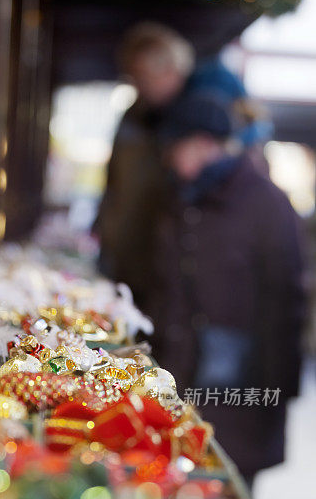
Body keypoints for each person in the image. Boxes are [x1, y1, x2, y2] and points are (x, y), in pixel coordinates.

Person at [146, 91, 306, 483]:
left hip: (243, 391)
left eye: (175, 148)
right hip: (181, 374)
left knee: (232, 493)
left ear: (204, 144)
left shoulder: (267, 203)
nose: (168, 159)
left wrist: (277, 397)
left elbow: (288, 303)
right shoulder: (182, 198)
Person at [96, 22, 271, 300]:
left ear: (169, 69)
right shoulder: (141, 115)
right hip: (143, 261)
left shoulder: (209, 108)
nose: (139, 87)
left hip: (192, 276)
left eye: (143, 77)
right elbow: (116, 182)